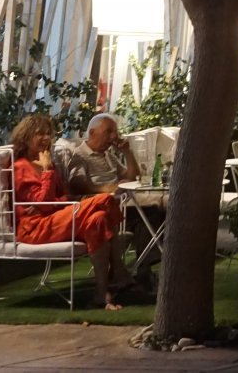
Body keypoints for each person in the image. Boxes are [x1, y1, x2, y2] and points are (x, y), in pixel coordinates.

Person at [10, 114, 132, 310]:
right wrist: (47, 172)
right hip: (35, 228)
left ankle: (101, 294)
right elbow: (45, 204)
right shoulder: (20, 167)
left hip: (56, 219)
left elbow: (62, 198)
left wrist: (54, 199)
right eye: (40, 133)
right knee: (106, 199)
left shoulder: (48, 163)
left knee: (98, 219)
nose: (46, 138)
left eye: (48, 134)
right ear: (26, 137)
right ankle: (119, 270)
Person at [54, 113, 142, 195]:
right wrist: (111, 189)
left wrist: (127, 152)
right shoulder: (79, 155)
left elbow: (134, 179)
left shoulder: (108, 155)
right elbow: (78, 186)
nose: (114, 136)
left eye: (115, 132)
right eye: (108, 131)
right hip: (102, 201)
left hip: (122, 199)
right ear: (92, 132)